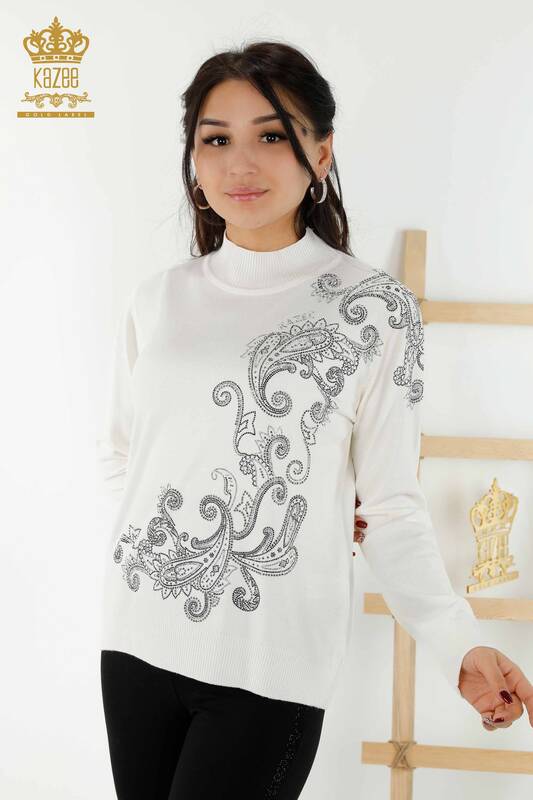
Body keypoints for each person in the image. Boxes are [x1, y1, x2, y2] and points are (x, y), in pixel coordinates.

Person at [96, 40, 533, 800]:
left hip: (270, 662)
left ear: (321, 152)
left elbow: (391, 508)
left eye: (271, 135)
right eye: (215, 140)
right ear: (193, 160)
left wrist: (457, 644)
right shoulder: (158, 299)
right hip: (136, 641)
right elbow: (122, 459)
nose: (240, 163)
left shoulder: (372, 309)